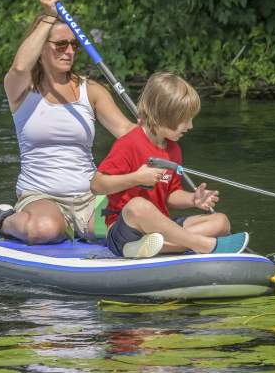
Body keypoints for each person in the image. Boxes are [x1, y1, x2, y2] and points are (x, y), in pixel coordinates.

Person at [0, 0, 134, 244]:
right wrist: (48, 15)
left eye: (74, 44)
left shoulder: (91, 90)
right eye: (60, 44)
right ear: (41, 49)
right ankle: (5, 219)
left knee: (131, 223)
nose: (70, 51)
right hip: (41, 196)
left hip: (90, 196)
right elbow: (18, 67)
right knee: (46, 229)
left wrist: (155, 134)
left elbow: (126, 132)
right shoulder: (21, 90)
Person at [90, 72, 249, 258]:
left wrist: (193, 200)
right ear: (162, 115)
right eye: (185, 119)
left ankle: (153, 247)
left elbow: (170, 195)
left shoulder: (173, 149)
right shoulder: (129, 144)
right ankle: (203, 245)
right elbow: (96, 185)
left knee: (221, 222)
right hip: (124, 229)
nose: (190, 126)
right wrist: (135, 178)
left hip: (159, 229)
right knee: (138, 206)